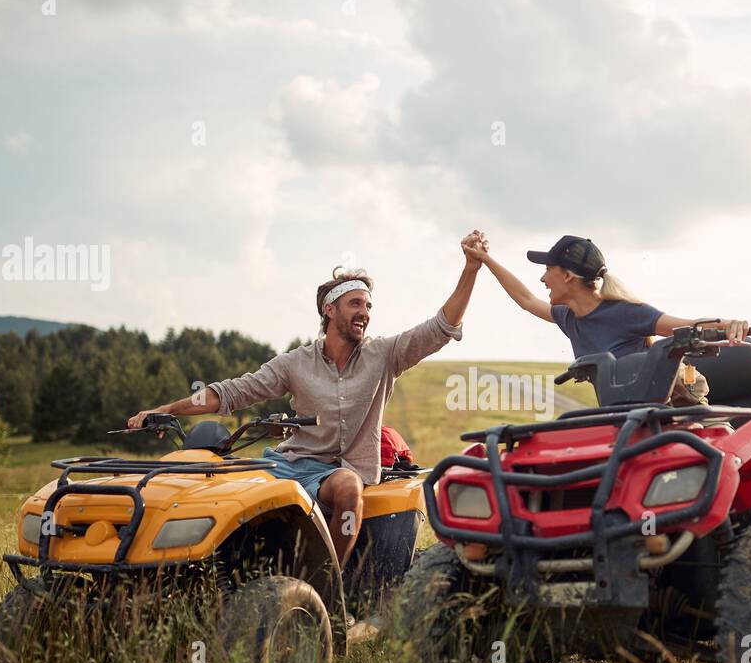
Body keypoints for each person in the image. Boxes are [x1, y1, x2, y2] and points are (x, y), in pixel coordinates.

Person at [127, 231, 487, 564]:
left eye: (368, 306)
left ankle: (327, 585)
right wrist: (166, 409)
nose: (364, 313)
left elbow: (441, 327)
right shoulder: (295, 363)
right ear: (330, 310)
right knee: (219, 492)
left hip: (343, 472)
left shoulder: (385, 355)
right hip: (290, 465)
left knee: (347, 486)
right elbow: (232, 392)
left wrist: (470, 269)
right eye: (355, 304)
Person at [465, 233, 750, 402]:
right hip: (621, 419)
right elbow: (526, 300)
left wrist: (728, 325)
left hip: (673, 410)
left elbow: (682, 326)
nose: (542, 278)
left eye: (548, 269)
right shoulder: (569, 317)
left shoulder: (624, 312)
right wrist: (485, 260)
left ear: (567, 275)